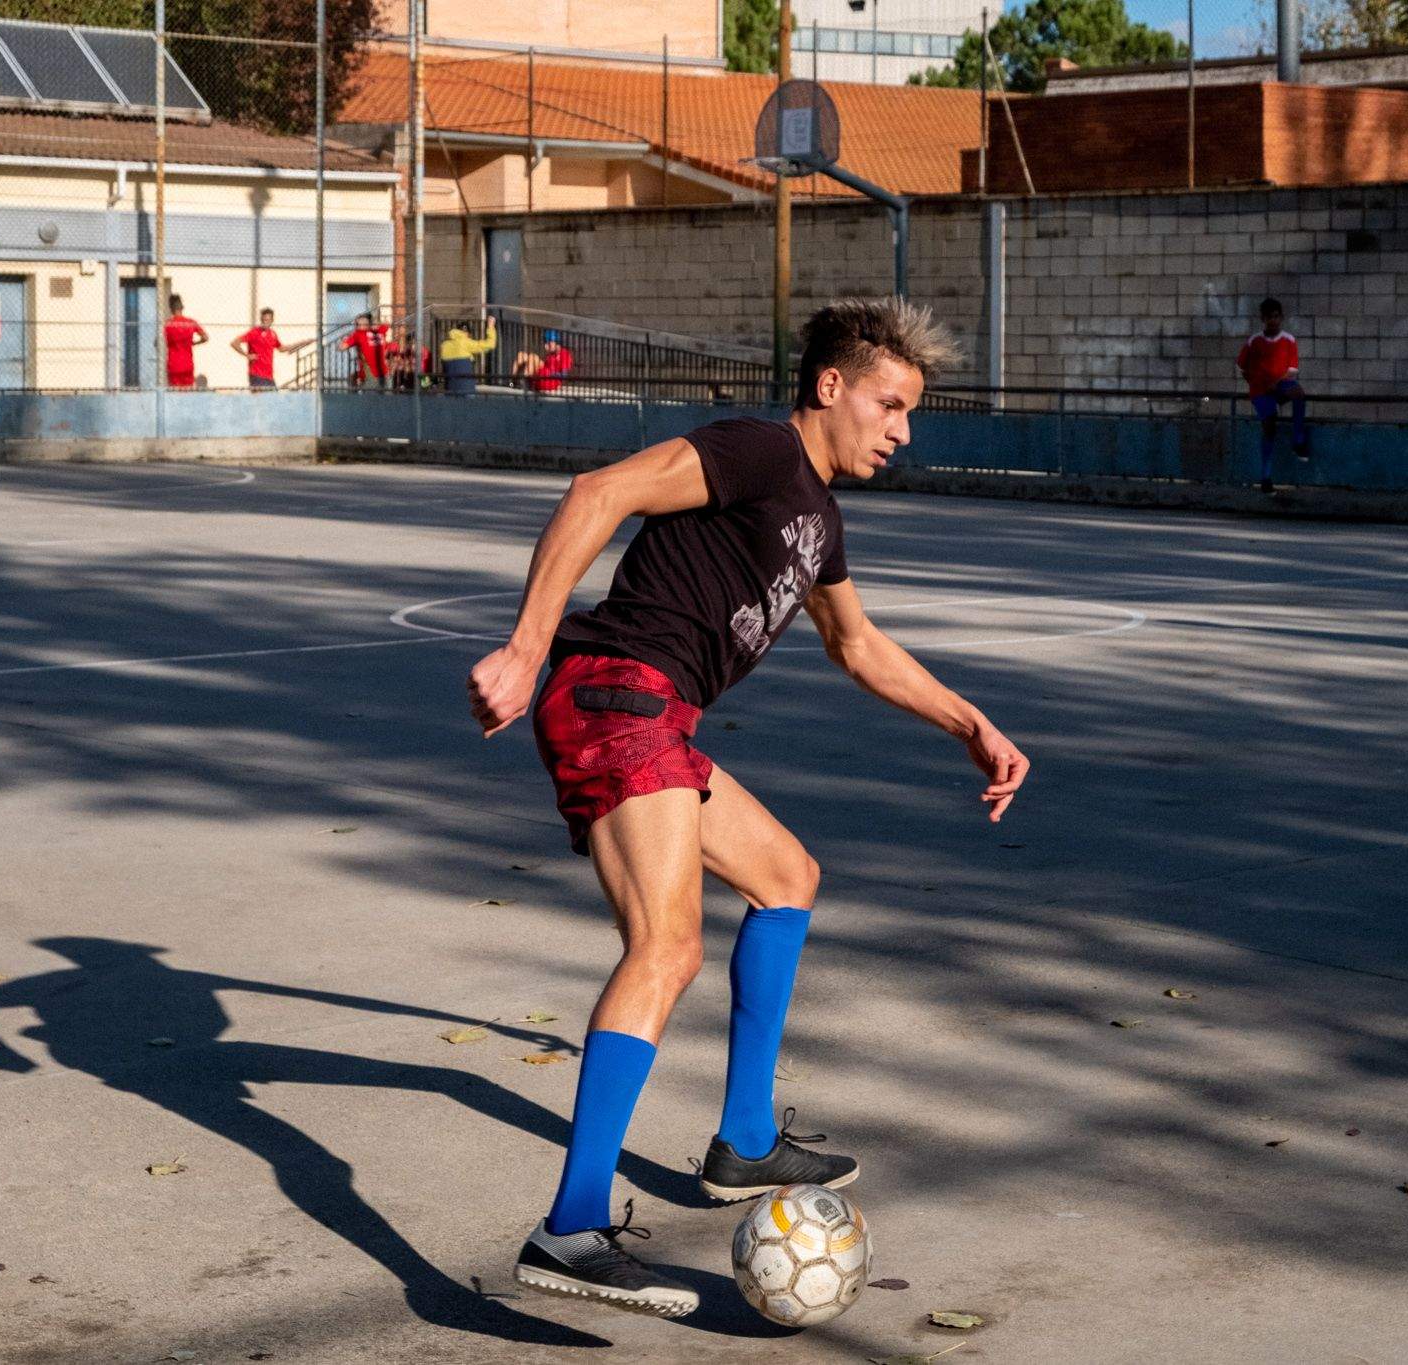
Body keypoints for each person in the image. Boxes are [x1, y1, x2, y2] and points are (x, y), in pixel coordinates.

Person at [465, 298, 1030, 1318]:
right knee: (666, 947)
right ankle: (571, 1227)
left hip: (656, 717)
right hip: (613, 694)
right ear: (831, 388)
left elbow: (855, 645)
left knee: (786, 876)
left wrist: (969, 722)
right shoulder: (756, 452)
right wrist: (522, 644)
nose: (902, 429)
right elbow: (600, 492)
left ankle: (744, 1143)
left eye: (910, 411)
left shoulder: (818, 514)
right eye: (890, 404)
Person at [1235, 298, 1309, 493]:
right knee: (1270, 426)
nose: (1273, 321)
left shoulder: (1288, 340)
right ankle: (1266, 477)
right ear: (1263, 319)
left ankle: (1298, 440)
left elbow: (1292, 370)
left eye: (1276, 317)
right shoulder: (1255, 341)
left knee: (1298, 393)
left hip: (1281, 383)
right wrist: (1256, 383)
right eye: (1269, 318)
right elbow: (1241, 367)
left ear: (1281, 318)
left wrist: (1276, 384)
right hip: (1261, 389)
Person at [231, 307, 298, 390]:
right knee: (259, 400)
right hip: (257, 374)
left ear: (272, 320)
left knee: (273, 400)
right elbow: (234, 343)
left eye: (268, 320)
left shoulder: (273, 334)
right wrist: (247, 355)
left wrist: (297, 344)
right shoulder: (255, 332)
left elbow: (281, 348)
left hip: (269, 376)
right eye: (263, 320)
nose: (265, 322)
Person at [439, 316, 498, 395]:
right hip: (466, 387)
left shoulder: (444, 345)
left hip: (450, 387)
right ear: (467, 333)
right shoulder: (466, 342)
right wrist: (491, 327)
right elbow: (490, 344)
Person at [162, 295, 208, 391]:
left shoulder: (168, 324)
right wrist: (194, 343)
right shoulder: (190, 322)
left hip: (173, 363)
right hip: (187, 363)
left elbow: (157, 341)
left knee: (174, 390)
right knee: (188, 390)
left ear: (171, 308)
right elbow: (205, 337)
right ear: (182, 307)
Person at [340, 312, 394, 389]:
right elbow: (342, 347)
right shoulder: (359, 334)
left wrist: (375, 324)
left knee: (381, 396)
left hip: (381, 373)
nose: (361, 326)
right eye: (359, 324)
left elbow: (387, 323)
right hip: (372, 373)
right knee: (375, 396)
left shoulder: (378, 330)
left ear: (369, 323)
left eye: (363, 323)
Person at [513, 329, 574, 394]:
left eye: (548, 343)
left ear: (555, 342)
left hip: (550, 381)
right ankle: (513, 381)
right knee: (521, 355)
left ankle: (525, 381)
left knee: (532, 357)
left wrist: (551, 374)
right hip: (542, 376)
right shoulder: (551, 355)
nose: (545, 346)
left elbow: (564, 375)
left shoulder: (564, 354)